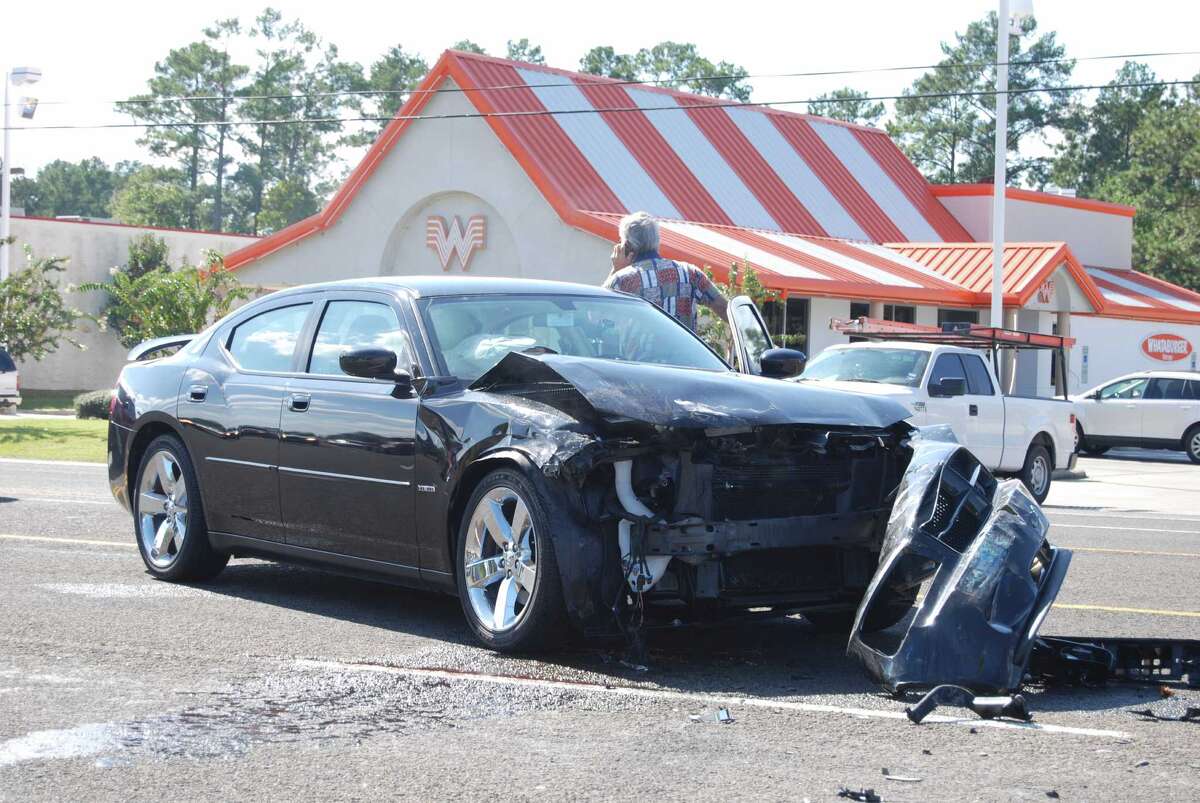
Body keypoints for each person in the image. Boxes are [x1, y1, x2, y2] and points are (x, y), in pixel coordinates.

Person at [603, 212, 728, 332]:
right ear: (657, 239)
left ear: (626, 245)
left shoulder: (622, 280)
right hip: (686, 354)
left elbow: (593, 313)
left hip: (641, 354)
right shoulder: (690, 273)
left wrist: (616, 270)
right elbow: (724, 308)